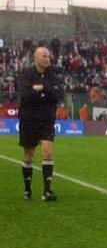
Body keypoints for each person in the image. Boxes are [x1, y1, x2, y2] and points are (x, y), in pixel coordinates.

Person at [17, 46, 63, 202]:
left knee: (48, 152)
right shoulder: (26, 74)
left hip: (46, 119)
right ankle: (28, 190)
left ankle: (47, 191)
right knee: (29, 155)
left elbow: (57, 95)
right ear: (36, 58)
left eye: (49, 56)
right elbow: (25, 94)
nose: (48, 59)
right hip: (28, 119)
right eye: (44, 56)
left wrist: (41, 89)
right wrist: (44, 92)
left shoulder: (53, 75)